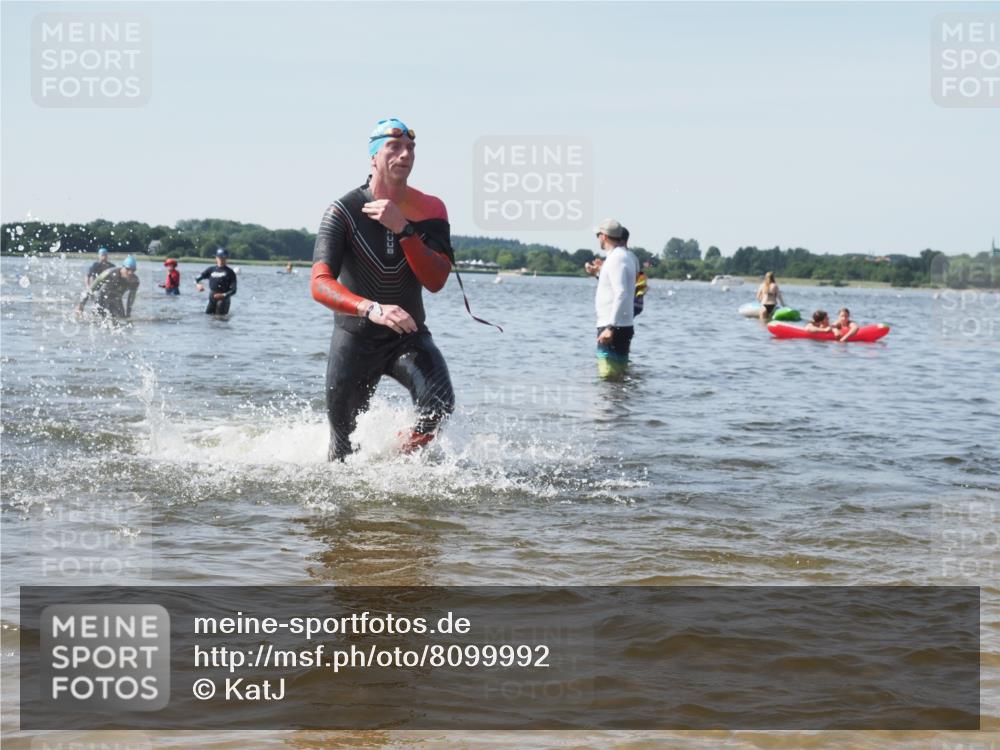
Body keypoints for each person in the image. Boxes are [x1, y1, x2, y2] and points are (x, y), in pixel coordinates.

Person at [311, 117, 455, 461]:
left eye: (411, 148)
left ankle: (391, 462)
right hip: (355, 338)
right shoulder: (343, 211)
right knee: (342, 452)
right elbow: (319, 283)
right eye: (394, 147)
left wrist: (404, 229)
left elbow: (436, 281)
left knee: (437, 409)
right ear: (373, 156)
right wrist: (372, 308)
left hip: (407, 336)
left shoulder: (430, 209)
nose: (405, 154)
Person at [589, 218, 639, 380]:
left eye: (598, 235)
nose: (598, 238)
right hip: (622, 324)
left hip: (611, 326)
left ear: (604, 236)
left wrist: (610, 327)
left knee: (607, 378)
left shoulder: (616, 258)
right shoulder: (627, 256)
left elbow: (621, 292)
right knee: (619, 378)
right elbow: (620, 287)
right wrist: (598, 273)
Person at [76, 255, 139, 319]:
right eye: (128, 269)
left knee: (122, 319)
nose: (130, 272)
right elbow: (92, 288)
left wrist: (128, 313)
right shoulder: (110, 273)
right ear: (123, 267)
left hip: (116, 299)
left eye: (133, 270)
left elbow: (131, 298)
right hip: (103, 297)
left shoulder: (135, 281)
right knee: (96, 319)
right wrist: (81, 305)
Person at [194, 249, 237, 315]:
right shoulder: (211, 269)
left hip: (223, 300)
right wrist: (198, 285)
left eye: (224, 257)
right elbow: (196, 279)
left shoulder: (230, 272)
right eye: (220, 257)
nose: (222, 259)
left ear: (227, 258)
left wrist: (223, 295)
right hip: (212, 299)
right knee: (207, 317)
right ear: (216, 258)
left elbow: (233, 290)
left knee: (219, 319)